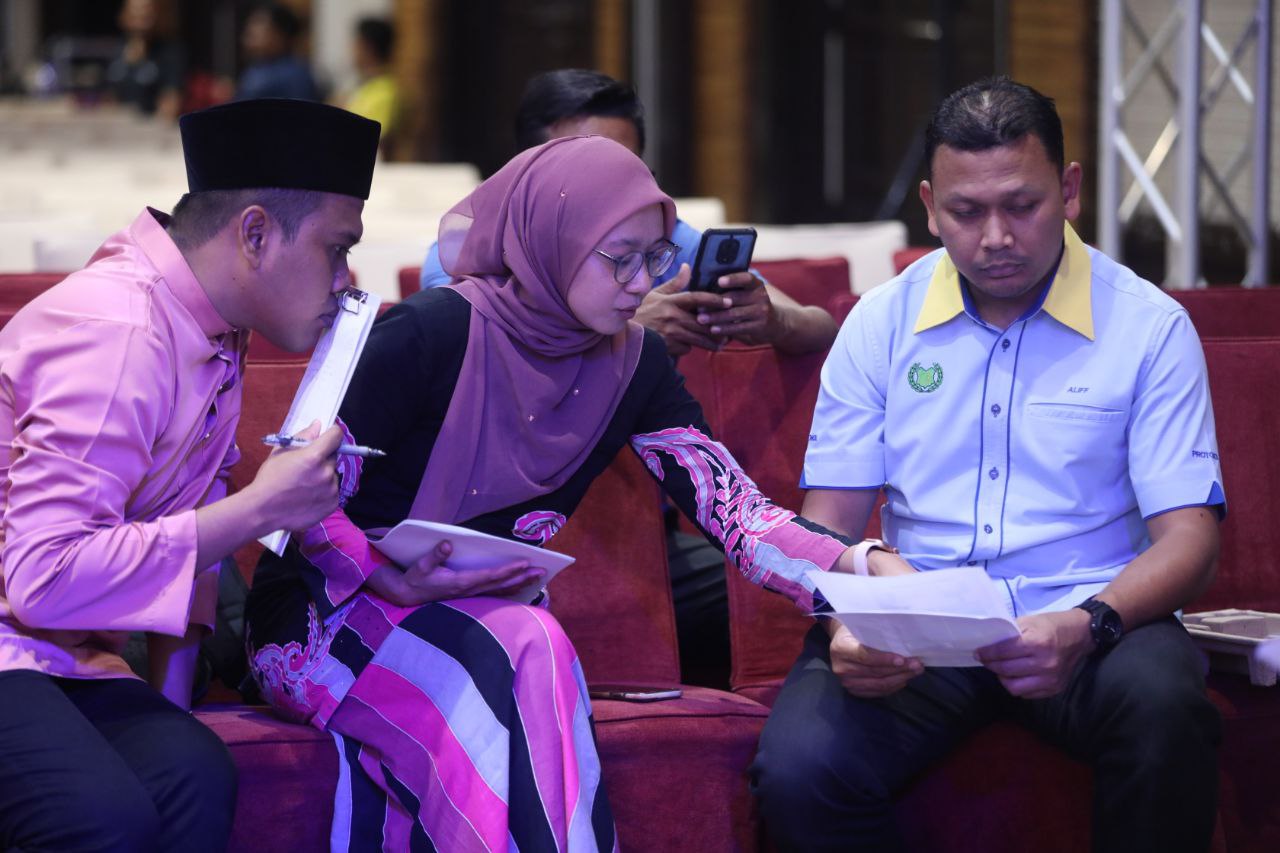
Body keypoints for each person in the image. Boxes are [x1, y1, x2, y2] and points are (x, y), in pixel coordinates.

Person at [244, 135, 903, 851]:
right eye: (619, 257)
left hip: (485, 620)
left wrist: (861, 565)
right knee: (521, 646)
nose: (641, 282)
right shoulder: (430, 332)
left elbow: (735, 510)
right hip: (329, 609)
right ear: (549, 245)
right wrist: (386, 575)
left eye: (655, 257)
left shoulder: (636, 364)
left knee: (529, 640)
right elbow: (297, 500)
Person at [750, 77, 1224, 852]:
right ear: (930, 206)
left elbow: (1191, 539)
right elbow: (824, 526)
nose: (996, 236)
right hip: (920, 623)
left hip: (1090, 617)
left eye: (1021, 205)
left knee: (1166, 709)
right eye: (967, 212)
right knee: (800, 768)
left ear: (1070, 191)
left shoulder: (1148, 327)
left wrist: (1090, 623)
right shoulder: (881, 322)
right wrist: (844, 621)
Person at [0, 99, 380, 851]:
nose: (346, 279)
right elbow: (41, 576)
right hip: (24, 631)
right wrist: (260, 509)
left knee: (194, 772)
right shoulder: (121, 329)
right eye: (336, 250)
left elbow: (192, 529)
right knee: (101, 815)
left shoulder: (212, 327)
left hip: (64, 651)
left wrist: (168, 712)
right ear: (255, 234)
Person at [420, 68, 839, 358]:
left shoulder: (668, 239)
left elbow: (820, 326)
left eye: (627, 171)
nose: (614, 194)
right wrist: (626, 333)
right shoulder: (462, 254)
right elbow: (473, 357)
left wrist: (773, 321)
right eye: (588, 175)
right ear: (528, 173)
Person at [106, 0, 185, 120]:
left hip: (150, 125)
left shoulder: (169, 52)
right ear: (125, 15)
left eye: (146, 12)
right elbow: (108, 98)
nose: (140, 18)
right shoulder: (116, 49)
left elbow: (171, 103)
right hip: (118, 124)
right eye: (134, 12)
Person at [235, 2, 320, 102]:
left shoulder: (295, 76)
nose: (250, 32)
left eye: (259, 23)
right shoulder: (254, 69)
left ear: (280, 35)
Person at [343, 16, 401, 150]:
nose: (351, 50)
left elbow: (374, 142)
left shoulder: (385, 93)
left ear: (367, 47)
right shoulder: (364, 86)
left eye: (355, 44)